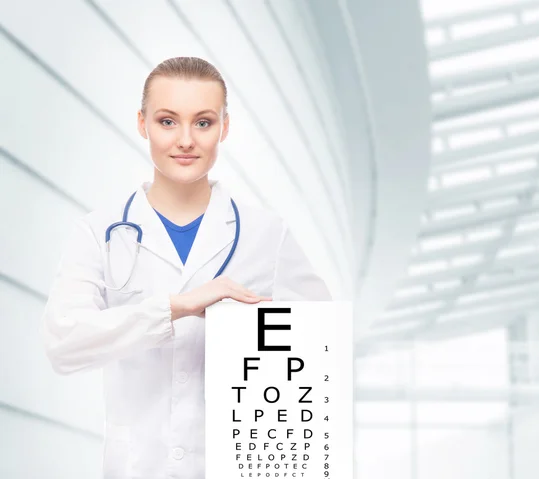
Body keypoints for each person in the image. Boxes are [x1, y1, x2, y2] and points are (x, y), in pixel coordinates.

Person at [40, 56, 331, 479]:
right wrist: (177, 307)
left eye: (203, 122)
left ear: (224, 128)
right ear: (142, 124)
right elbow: (63, 345)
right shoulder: (99, 232)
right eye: (167, 121)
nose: (185, 140)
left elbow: (320, 350)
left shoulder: (268, 235)